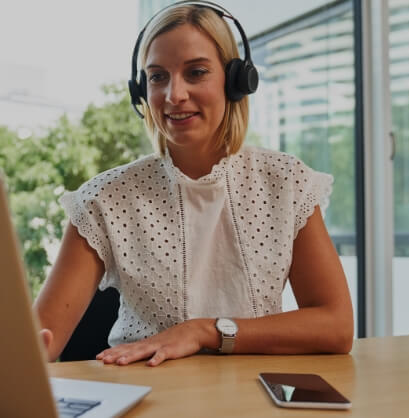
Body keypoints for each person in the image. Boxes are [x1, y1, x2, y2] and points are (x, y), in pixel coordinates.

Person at [33, 1, 353, 367]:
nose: (174, 95)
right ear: (142, 92)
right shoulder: (104, 199)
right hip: (147, 392)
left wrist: (205, 331)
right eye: (157, 77)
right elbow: (42, 340)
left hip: (254, 395)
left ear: (235, 80)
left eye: (196, 72)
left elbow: (337, 326)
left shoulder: (286, 183)